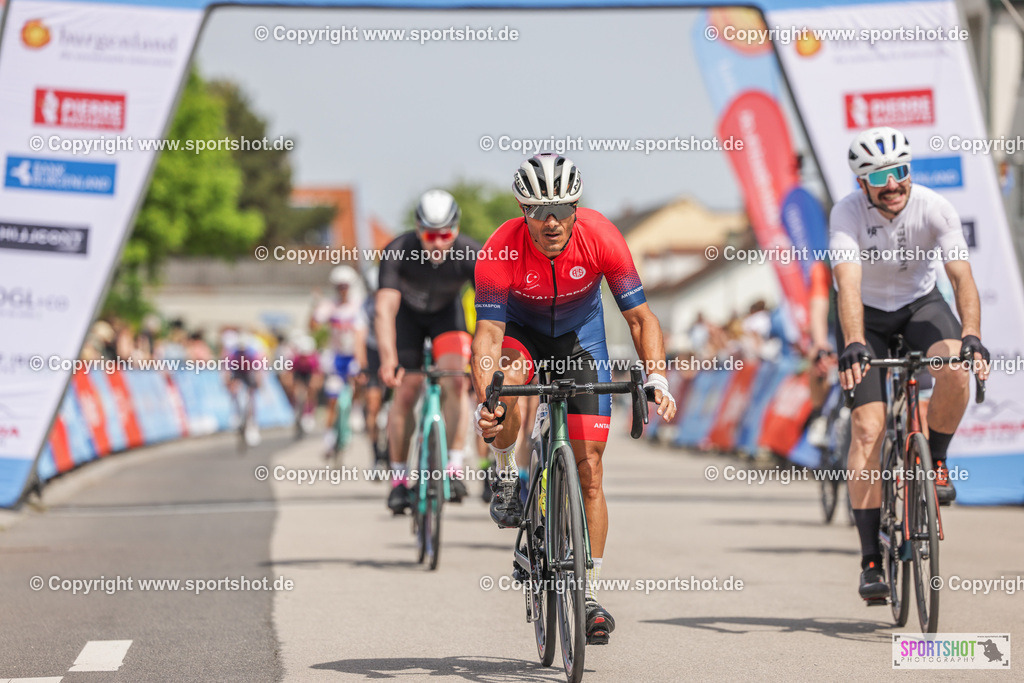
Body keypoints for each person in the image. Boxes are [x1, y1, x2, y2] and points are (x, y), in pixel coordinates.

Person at [472, 153, 677, 645]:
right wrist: (489, 400)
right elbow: (488, 335)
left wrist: (657, 378)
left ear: (576, 207)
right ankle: (505, 469)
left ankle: (586, 594)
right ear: (522, 211)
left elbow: (641, 319)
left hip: (580, 338)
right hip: (520, 333)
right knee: (509, 385)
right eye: (539, 211)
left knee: (590, 469)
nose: (552, 222)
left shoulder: (602, 236)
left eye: (563, 210)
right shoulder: (500, 249)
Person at [831, 126, 990, 603]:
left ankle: (935, 459)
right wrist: (856, 341)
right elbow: (848, 283)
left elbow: (961, 277)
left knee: (955, 369)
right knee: (867, 430)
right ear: (862, 184)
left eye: (900, 172)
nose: (893, 184)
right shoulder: (846, 213)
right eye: (880, 177)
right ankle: (870, 560)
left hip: (922, 306)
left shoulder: (934, 207)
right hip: (870, 318)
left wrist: (972, 336)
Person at [376, 189, 479, 513]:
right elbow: (384, 309)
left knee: (456, 383)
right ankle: (398, 481)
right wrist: (389, 359)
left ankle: (453, 466)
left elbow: (491, 307)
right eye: (430, 235)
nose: (437, 243)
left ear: (457, 230)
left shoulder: (471, 253)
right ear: (418, 229)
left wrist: (482, 355)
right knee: (406, 392)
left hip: (447, 318)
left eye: (445, 235)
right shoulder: (398, 250)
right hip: (407, 320)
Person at [313, 265, 368, 460]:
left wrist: (362, 360)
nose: (342, 290)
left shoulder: (359, 305)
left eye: (345, 286)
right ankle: (329, 440)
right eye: (339, 286)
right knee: (332, 399)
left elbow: (363, 335)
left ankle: (356, 408)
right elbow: (314, 324)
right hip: (336, 357)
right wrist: (315, 307)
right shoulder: (330, 305)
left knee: (357, 382)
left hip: (353, 356)